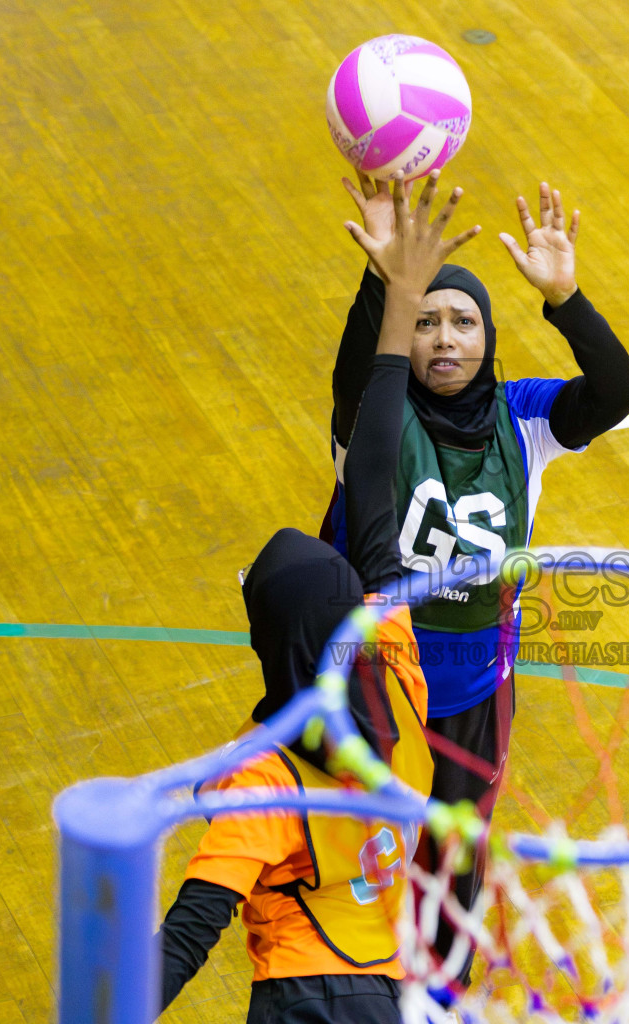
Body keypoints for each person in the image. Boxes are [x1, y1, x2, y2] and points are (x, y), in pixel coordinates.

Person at [155, 173, 480, 1024]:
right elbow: (371, 487)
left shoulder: (262, 771)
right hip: (392, 993)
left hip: (301, 1002)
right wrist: (398, 298)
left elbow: (191, 931)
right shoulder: (403, 684)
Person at [321, 175, 629, 984]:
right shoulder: (375, 423)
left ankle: (443, 993)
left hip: (474, 690)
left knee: (456, 862)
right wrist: (387, 280)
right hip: (378, 685)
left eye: (463, 322)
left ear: (488, 337)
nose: (444, 339)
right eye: (424, 323)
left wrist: (566, 298)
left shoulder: (524, 417)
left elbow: (618, 392)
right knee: (359, 858)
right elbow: (361, 375)